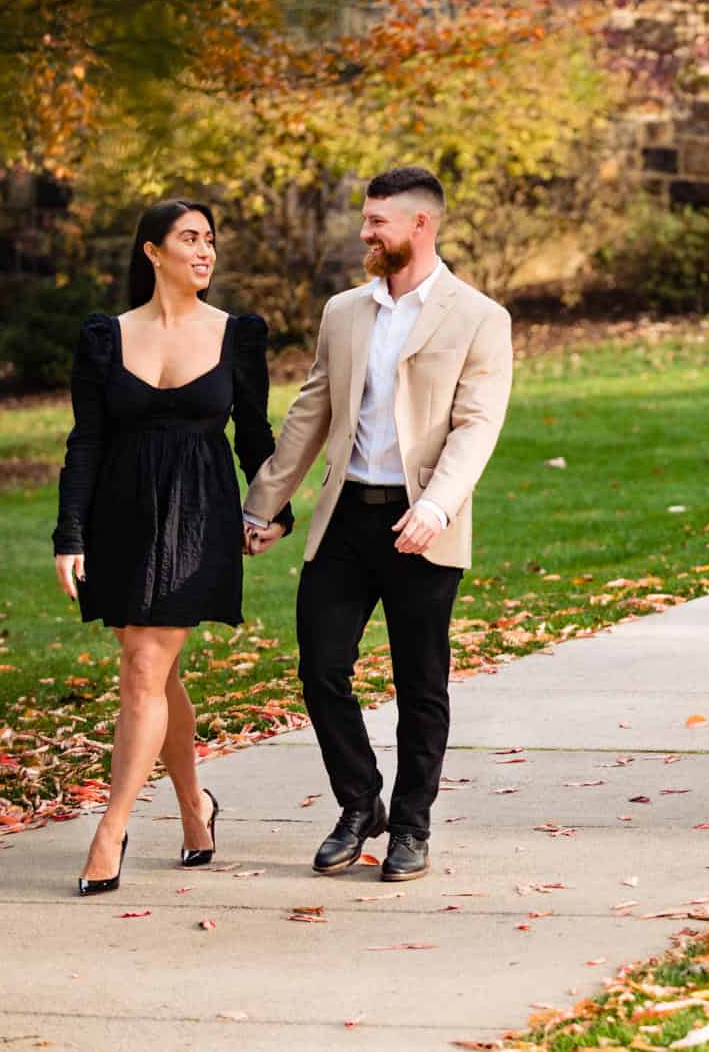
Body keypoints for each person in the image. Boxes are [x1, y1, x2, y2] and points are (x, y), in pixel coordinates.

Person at [241, 166, 513, 884]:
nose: (365, 232)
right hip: (345, 518)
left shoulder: (480, 317)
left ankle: (412, 827)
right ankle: (361, 803)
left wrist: (436, 505)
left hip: (422, 522)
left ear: (421, 226)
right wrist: (261, 503)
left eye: (377, 221)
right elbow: (309, 414)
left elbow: (477, 425)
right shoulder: (344, 312)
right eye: (366, 220)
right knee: (321, 668)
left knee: (421, 683)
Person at [51, 199, 292, 896]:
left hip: (198, 516)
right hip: (121, 514)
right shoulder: (103, 337)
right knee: (156, 672)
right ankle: (195, 807)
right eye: (189, 238)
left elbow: (254, 435)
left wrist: (274, 510)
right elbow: (86, 440)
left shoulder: (236, 335)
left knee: (143, 663)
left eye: (210, 239)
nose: (205, 251)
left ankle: (110, 829)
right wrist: (70, 533)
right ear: (152, 251)